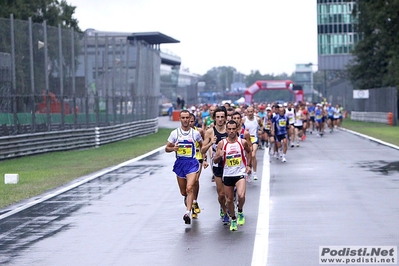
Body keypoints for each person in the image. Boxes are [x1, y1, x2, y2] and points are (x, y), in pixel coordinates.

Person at [165, 110, 204, 225]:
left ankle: (187, 212)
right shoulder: (175, 133)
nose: (186, 120)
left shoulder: (195, 134)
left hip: (192, 163)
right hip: (180, 163)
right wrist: (173, 149)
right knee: (183, 192)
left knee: (189, 187)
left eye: (187, 118)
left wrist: (204, 159)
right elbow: (166, 148)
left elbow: (202, 147)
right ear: (180, 119)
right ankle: (188, 200)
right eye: (183, 118)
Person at [214, 120, 252, 231]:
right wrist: (219, 156)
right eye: (229, 129)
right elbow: (215, 161)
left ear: (237, 129)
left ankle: (240, 211)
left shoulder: (242, 142)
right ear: (226, 130)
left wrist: (248, 165)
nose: (231, 131)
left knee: (241, 195)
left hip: (240, 173)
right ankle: (233, 219)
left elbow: (249, 152)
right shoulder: (222, 144)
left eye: (233, 129)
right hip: (227, 174)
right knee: (229, 200)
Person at [201, 106, 229, 224]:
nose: (220, 119)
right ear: (214, 118)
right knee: (221, 194)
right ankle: (224, 209)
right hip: (217, 164)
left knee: (229, 193)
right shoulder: (210, 131)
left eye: (222, 117)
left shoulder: (230, 129)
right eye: (218, 117)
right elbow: (202, 150)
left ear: (226, 118)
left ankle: (230, 208)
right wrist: (210, 143)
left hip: (230, 165)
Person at [189, 113, 209, 219]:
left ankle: (195, 202)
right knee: (188, 186)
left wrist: (205, 159)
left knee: (195, 180)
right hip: (186, 159)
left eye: (192, 121)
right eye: (189, 121)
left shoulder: (199, 131)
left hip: (198, 157)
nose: (190, 123)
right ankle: (191, 205)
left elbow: (203, 146)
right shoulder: (180, 133)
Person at [242, 106, 262, 180]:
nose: (250, 113)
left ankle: (255, 173)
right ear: (246, 112)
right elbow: (239, 128)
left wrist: (260, 131)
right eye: (249, 112)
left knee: (253, 155)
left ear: (254, 112)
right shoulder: (243, 120)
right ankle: (248, 171)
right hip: (246, 139)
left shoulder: (257, 119)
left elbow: (261, 126)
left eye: (251, 111)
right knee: (247, 156)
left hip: (254, 138)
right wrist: (244, 130)